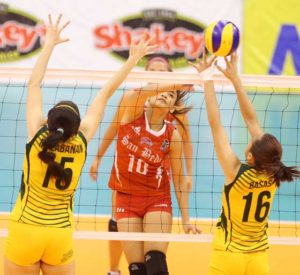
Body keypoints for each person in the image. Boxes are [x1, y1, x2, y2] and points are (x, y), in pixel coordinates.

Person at [3, 14, 156, 275]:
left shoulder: (37, 136)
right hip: (59, 234)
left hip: (25, 229)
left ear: (48, 122)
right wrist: (132, 60)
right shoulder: (82, 141)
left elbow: (34, 84)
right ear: (78, 125)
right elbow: (105, 93)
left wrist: (49, 43)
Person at [191, 51, 300, 275]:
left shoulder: (235, 172)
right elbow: (252, 120)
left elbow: (215, 124)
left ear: (251, 157)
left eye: (252, 140)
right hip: (258, 258)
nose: (252, 135)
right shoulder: (273, 172)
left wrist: (207, 78)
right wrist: (235, 79)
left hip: (229, 254)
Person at [89, 55, 194, 275]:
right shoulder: (132, 105)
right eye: (152, 72)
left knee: (155, 263)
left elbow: (182, 162)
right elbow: (114, 126)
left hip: (156, 192)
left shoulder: (173, 132)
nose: (160, 84)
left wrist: (186, 218)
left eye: (162, 73)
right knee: (137, 269)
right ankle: (113, 269)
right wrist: (98, 156)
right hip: (126, 192)